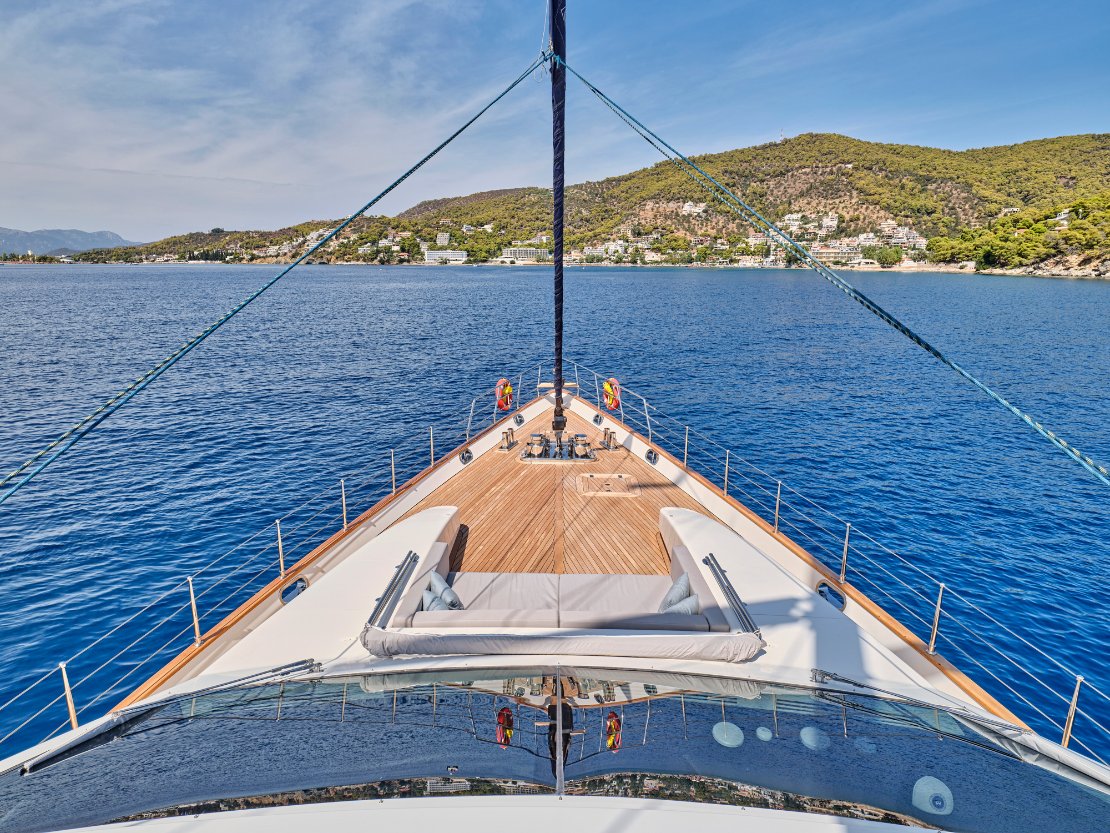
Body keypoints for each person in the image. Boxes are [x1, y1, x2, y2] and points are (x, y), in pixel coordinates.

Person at [546, 695, 574, 778]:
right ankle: (560, 702)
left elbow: (566, 744)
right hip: (559, 731)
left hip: (561, 731)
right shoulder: (554, 757)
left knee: (562, 721)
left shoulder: (559, 758)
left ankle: (561, 702)